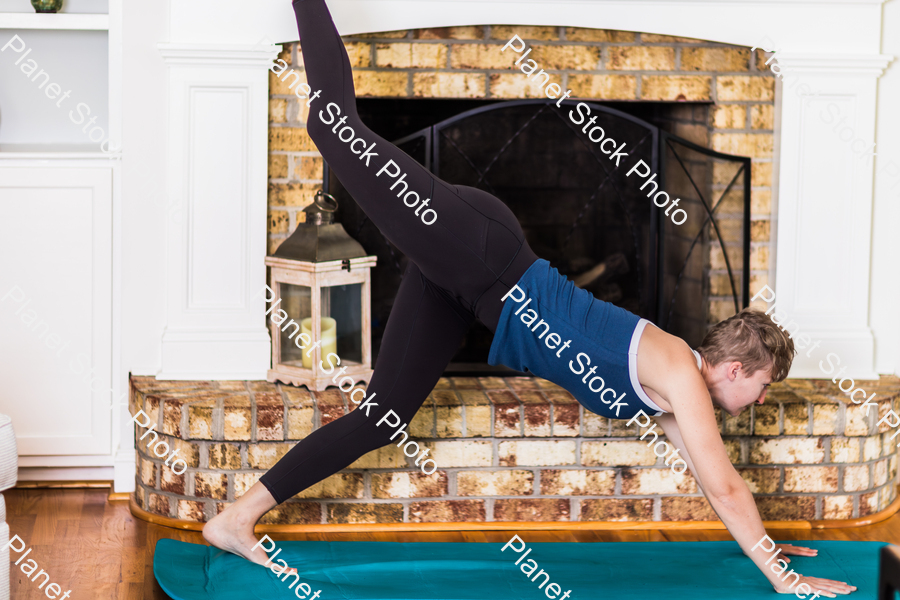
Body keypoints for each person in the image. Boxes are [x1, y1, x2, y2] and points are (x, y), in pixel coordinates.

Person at [202, 0, 856, 595]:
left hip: (470, 288)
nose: (763, 400)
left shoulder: (677, 394)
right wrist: (781, 576)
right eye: (765, 386)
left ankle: (237, 518)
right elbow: (725, 479)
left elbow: (715, 486)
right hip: (478, 253)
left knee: (384, 416)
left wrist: (768, 550)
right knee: (333, 126)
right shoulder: (682, 375)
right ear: (736, 368)